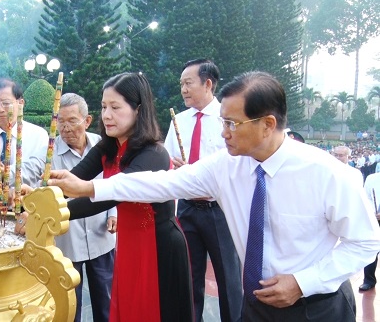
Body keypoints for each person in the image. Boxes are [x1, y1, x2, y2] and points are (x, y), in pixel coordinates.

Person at [48, 71, 380, 321]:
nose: (223, 133)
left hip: (316, 306)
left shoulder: (327, 173)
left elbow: (365, 242)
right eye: (223, 122)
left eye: (232, 124)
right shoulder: (226, 166)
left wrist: (303, 282)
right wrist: (89, 187)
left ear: (268, 124)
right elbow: (160, 184)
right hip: (257, 305)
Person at [40, 72, 193, 321]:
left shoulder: (154, 154)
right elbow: (72, 178)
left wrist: (54, 211)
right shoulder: (109, 145)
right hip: (129, 245)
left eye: (115, 107)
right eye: (103, 107)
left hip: (157, 247)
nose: (106, 115)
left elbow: (110, 195)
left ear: (138, 109)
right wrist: (37, 197)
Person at [22, 93, 117, 322]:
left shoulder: (103, 147)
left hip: (101, 238)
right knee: (69, 307)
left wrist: (113, 213)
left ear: (87, 121)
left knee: (106, 304)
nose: (65, 128)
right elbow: (31, 175)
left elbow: (114, 183)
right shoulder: (48, 154)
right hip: (67, 243)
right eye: (60, 121)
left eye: (72, 121)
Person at [165, 59, 242, 322]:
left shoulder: (228, 119)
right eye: (181, 84)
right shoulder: (179, 121)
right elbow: (168, 162)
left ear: (208, 84)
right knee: (189, 279)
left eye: (188, 83)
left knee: (229, 280)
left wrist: (196, 171)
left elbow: (236, 165)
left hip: (219, 209)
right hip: (186, 209)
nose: (183, 90)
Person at [0, 78, 49, 210]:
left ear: (20, 103)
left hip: (28, 207)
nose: (0, 109)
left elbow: (40, 172)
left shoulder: (39, 135)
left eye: (6, 103)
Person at [360, 171, 380, 291]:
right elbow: (366, 197)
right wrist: (372, 212)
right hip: (374, 219)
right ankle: (369, 280)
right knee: (371, 249)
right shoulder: (371, 178)